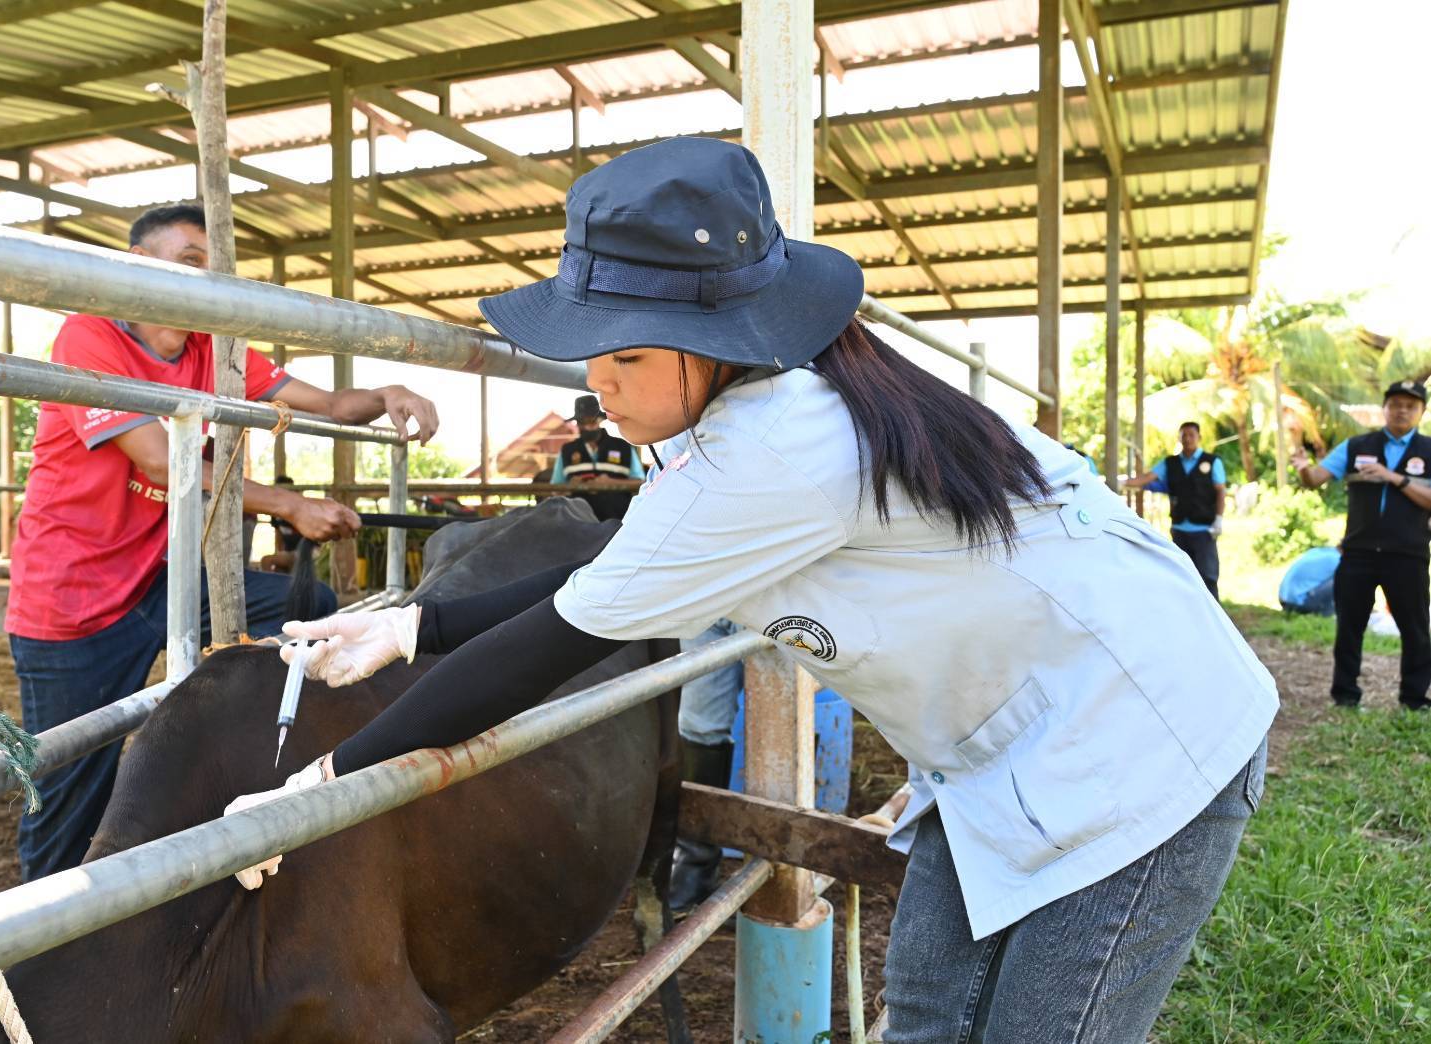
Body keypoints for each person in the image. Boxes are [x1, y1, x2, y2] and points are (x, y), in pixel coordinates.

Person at [228, 138, 1275, 1042]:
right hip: (1008, 736)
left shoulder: (775, 451)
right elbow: (625, 559)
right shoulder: (752, 411)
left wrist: (321, 789)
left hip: (1136, 740)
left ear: (716, 343)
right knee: (926, 1017)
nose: (598, 381)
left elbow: (556, 640)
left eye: (626, 353)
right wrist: (417, 621)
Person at [5, 203, 440, 881]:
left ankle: (256, 778)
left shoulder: (217, 349)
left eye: (209, 266)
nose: (202, 279)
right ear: (138, 268)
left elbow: (324, 403)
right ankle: (29, 949)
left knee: (307, 607)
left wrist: (384, 393)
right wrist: (291, 504)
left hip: (164, 577)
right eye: (186, 262)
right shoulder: (89, 337)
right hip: (75, 598)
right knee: (68, 791)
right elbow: (157, 459)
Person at [1291, 379, 1431, 711]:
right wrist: (1303, 471)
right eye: (1395, 404)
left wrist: (1393, 477)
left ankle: (1413, 698)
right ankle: (1345, 695)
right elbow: (1316, 479)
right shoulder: (1356, 446)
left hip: (1407, 555)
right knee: (1350, 626)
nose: (1401, 410)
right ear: (1384, 408)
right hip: (1358, 553)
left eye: (1410, 406)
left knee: (1416, 630)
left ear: (1421, 412)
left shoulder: (1429, 451)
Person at [667, 617, 744, 911]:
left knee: (782, 720)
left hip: (778, 590)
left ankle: (781, 870)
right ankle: (694, 867)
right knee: (699, 723)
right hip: (710, 591)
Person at [1123, 421, 1226, 597]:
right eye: (1183, 435)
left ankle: (1211, 619)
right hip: (1179, 528)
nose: (1187, 439)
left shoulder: (1212, 461)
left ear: (1199, 437)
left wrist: (1219, 519)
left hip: (1204, 529)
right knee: (1181, 575)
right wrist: (1123, 483)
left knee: (1207, 576)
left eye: (1191, 435)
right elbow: (1148, 477)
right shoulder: (1170, 463)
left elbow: (1220, 491)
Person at [550, 394, 645, 521]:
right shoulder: (567, 450)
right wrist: (570, 486)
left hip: (616, 521)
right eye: (583, 422)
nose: (588, 426)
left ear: (600, 420)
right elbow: (555, 489)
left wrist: (612, 483)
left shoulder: (623, 447)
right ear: (577, 423)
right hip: (577, 522)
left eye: (592, 421)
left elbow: (641, 483)